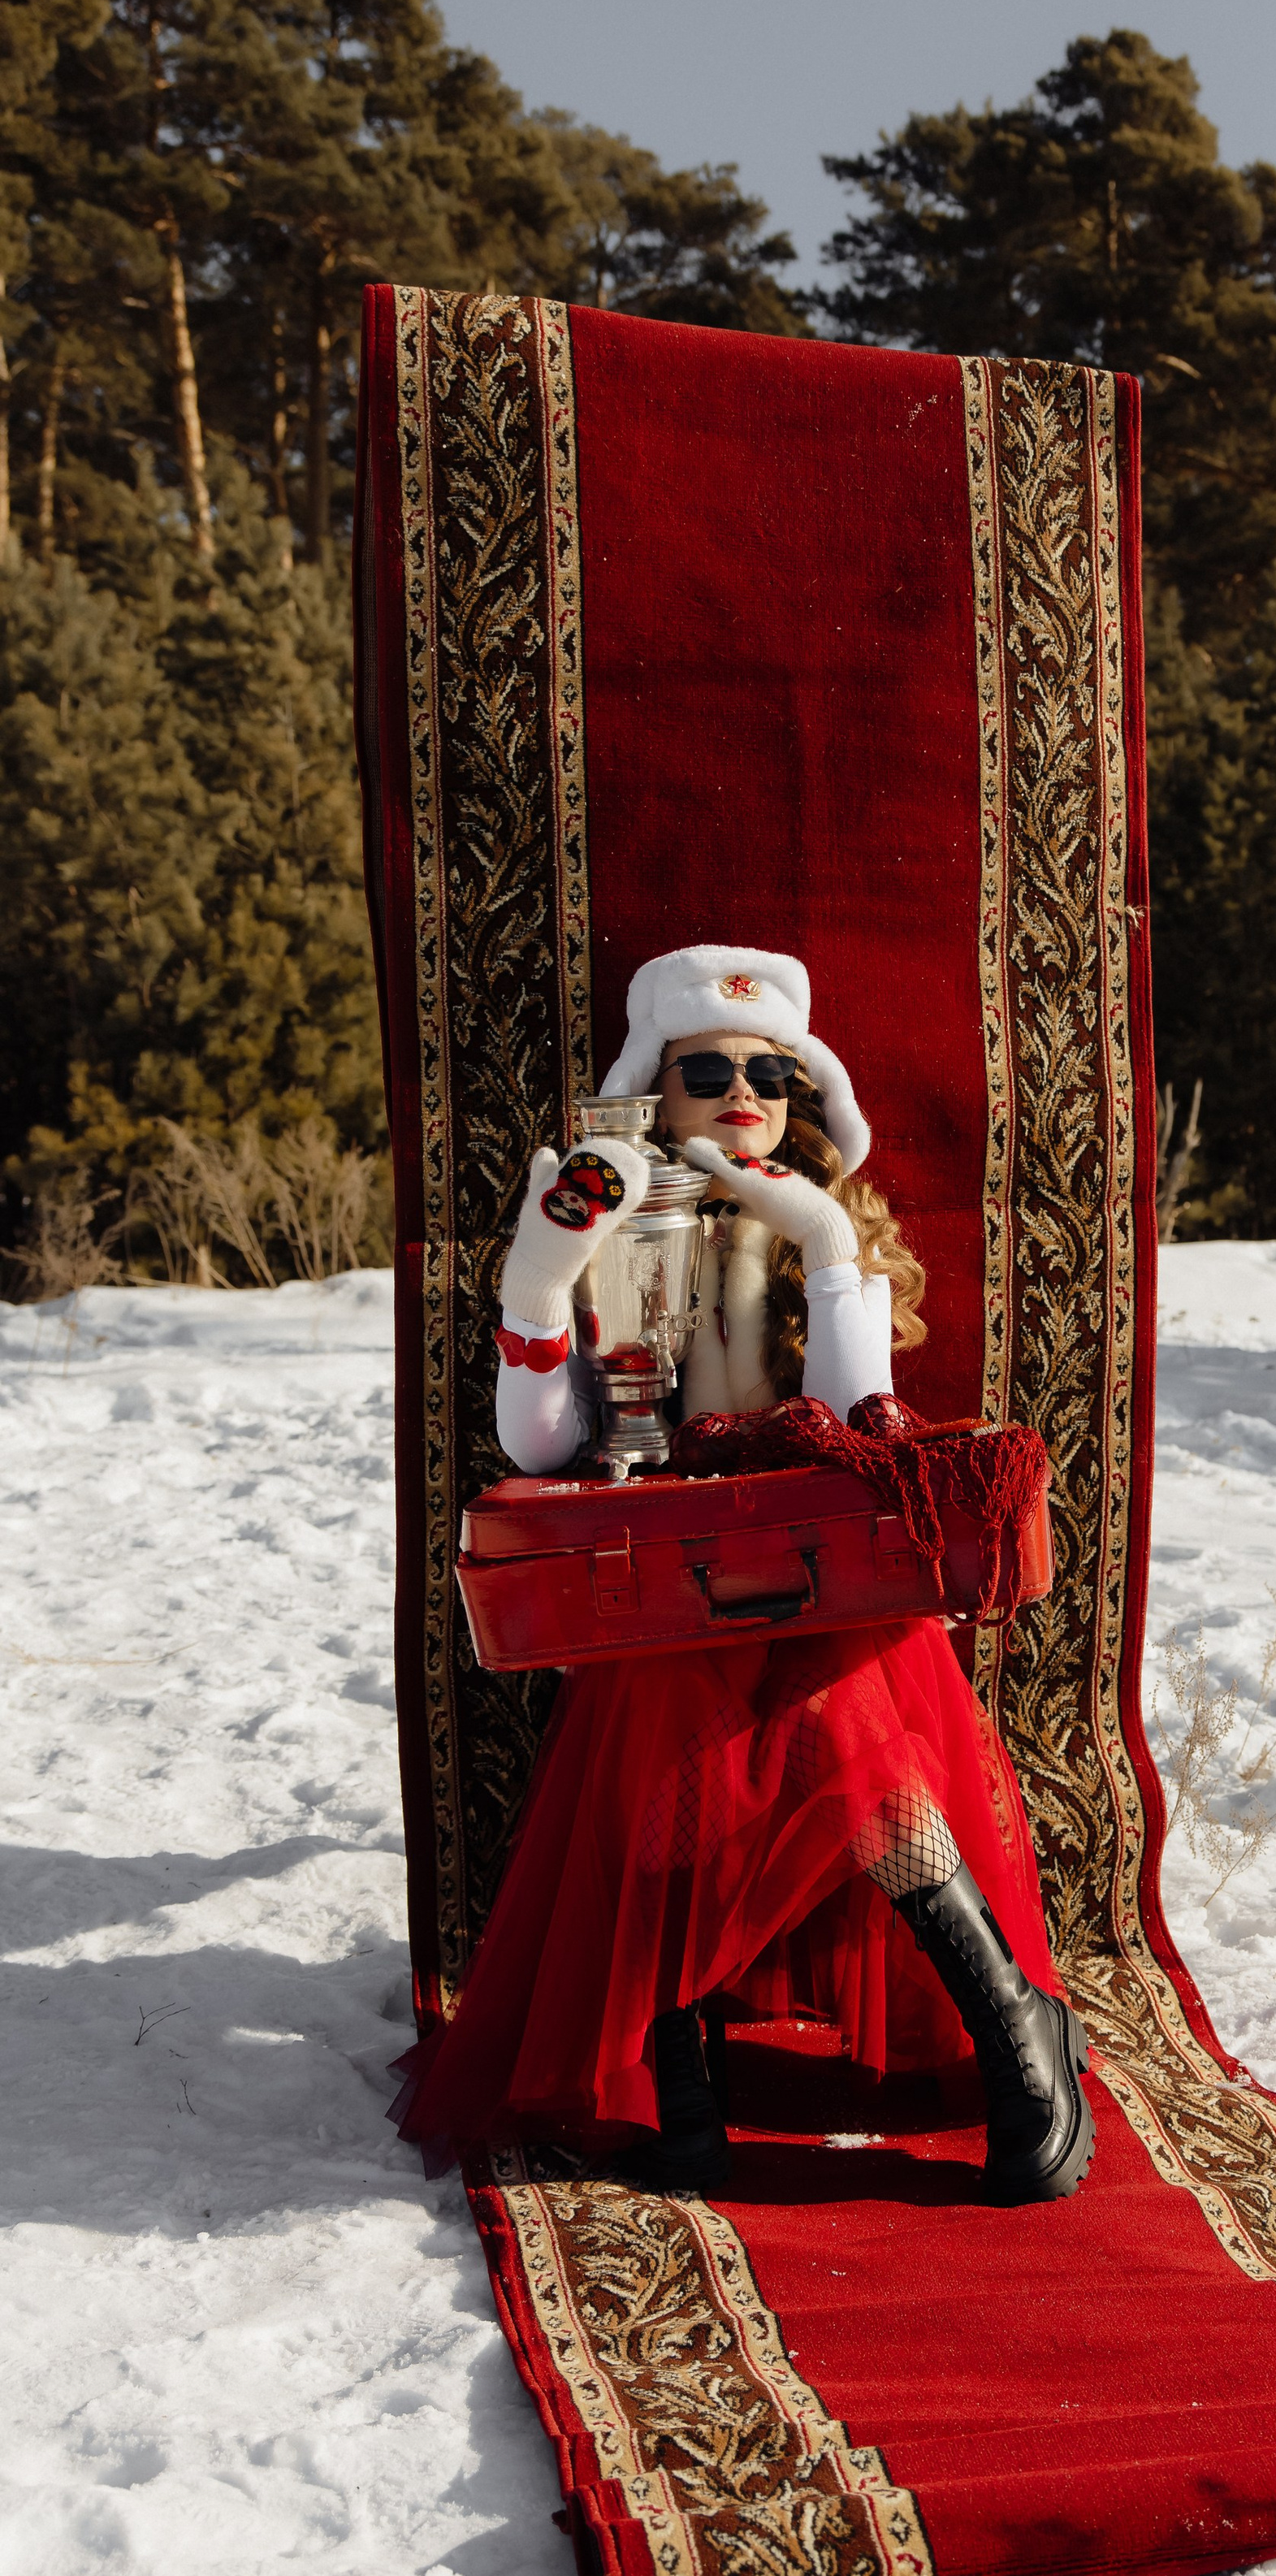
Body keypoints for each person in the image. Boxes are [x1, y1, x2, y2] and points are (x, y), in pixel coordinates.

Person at [395, 943, 1094, 2206]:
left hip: (820, 1574)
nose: (741, 1091)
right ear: (653, 1091)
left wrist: (824, 1239)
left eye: (772, 1072)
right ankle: (678, 2054)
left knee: (824, 1698)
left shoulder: (821, 1223)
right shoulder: (610, 1219)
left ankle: (1013, 2019)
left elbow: (860, 1422)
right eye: (705, 1067)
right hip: (661, 1575)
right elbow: (544, 1445)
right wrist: (542, 1280)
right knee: (664, 1702)